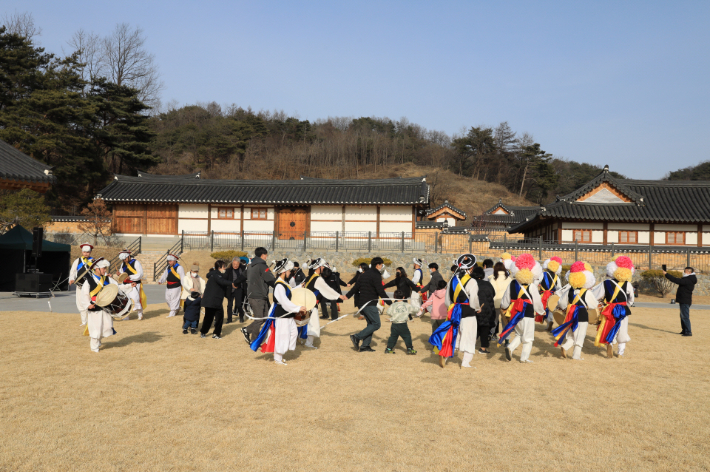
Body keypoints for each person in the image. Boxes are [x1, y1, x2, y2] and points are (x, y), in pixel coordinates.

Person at [250, 259, 306, 366]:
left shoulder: (283, 283)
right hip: (282, 314)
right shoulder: (279, 285)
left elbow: (290, 291)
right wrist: (298, 308)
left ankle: (282, 352)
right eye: (289, 271)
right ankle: (278, 358)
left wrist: (300, 286)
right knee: (283, 335)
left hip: (288, 314)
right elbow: (284, 302)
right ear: (284, 272)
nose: (290, 273)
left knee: (293, 332)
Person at [430, 254, 481, 368]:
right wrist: (478, 308)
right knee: (469, 336)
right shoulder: (472, 282)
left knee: (454, 335)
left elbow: (447, 301)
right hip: (468, 313)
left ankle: (446, 355)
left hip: (454, 311)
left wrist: (452, 308)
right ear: (471, 268)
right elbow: (473, 301)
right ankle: (465, 362)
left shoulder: (452, 280)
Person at [499, 253, 545, 363]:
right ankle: (524, 358)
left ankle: (510, 347)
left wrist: (504, 308)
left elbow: (505, 300)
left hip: (515, 313)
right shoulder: (532, 286)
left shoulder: (512, 283)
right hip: (527, 313)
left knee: (519, 334)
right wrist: (541, 311)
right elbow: (537, 302)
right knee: (528, 338)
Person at [553, 261, 598, 360]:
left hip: (570, 314)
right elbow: (593, 305)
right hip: (582, 315)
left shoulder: (569, 291)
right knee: (580, 335)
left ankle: (565, 346)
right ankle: (576, 356)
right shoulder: (587, 293)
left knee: (571, 334)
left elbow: (561, 303)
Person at [592, 256, 635, 358]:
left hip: (609, 309)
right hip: (623, 309)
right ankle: (620, 352)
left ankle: (610, 343)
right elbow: (631, 300)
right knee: (623, 329)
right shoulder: (628, 284)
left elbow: (596, 296)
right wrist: (625, 305)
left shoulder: (605, 283)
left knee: (609, 326)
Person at [346, 257, 391, 352]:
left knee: (370, 324)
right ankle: (356, 337)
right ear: (377, 265)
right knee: (376, 324)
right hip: (369, 304)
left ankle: (365, 345)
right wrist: (390, 302)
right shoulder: (376, 275)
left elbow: (355, 287)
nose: (382, 267)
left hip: (362, 303)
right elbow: (380, 290)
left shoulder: (364, 274)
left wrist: (347, 296)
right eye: (381, 265)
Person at [302, 258, 347, 348]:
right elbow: (327, 289)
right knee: (313, 324)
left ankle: (303, 341)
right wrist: (339, 296)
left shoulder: (310, 277)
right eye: (322, 266)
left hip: (305, 303)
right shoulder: (318, 279)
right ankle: (308, 343)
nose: (324, 268)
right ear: (319, 267)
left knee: (305, 323)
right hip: (311, 304)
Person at [81, 258, 118, 353]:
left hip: (106, 307)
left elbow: (117, 287)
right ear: (97, 269)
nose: (105, 270)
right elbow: (84, 295)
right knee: (96, 328)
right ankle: (94, 347)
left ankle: (98, 341)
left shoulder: (108, 279)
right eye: (104, 268)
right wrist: (88, 305)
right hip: (94, 308)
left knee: (107, 326)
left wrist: (129, 286)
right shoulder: (88, 281)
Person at [241, 247, 276, 344]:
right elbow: (271, 280)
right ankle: (254, 341)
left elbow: (243, 276)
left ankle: (247, 330)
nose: (267, 256)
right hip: (258, 297)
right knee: (259, 318)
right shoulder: (262, 266)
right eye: (266, 255)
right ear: (263, 255)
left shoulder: (250, 265)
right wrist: (280, 287)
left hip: (256, 295)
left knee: (264, 318)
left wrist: (235, 283)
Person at [200, 260, 233, 339]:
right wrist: (232, 283)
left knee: (220, 318)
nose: (225, 268)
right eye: (224, 267)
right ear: (219, 268)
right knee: (209, 318)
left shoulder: (218, 274)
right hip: (211, 301)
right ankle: (203, 332)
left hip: (217, 300)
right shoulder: (215, 275)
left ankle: (216, 334)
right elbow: (222, 281)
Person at [664, 267, 697, 337]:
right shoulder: (688, 279)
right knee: (682, 316)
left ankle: (688, 331)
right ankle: (684, 330)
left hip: (685, 300)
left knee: (685, 316)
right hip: (683, 300)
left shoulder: (688, 280)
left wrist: (666, 274)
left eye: (685, 271)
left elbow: (676, 280)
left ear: (689, 272)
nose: (684, 272)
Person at [384, 289, 418, 355]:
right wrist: (420, 308)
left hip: (394, 324)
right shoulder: (406, 305)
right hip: (402, 324)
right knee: (407, 336)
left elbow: (388, 312)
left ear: (395, 297)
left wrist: (393, 314)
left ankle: (388, 348)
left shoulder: (393, 305)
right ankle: (410, 349)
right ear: (403, 297)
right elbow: (415, 310)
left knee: (393, 336)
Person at [68, 243, 95, 326]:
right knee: (80, 303)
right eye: (84, 252)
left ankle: (92, 321)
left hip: (90, 286)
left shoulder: (94, 261)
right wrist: (71, 279)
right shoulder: (78, 261)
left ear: (90, 252)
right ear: (82, 252)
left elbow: (97, 272)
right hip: (80, 286)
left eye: (88, 252)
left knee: (90, 303)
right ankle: (84, 321)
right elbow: (73, 271)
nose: (86, 253)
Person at [116, 249, 146, 321]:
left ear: (129, 256)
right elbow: (122, 273)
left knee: (135, 299)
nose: (124, 260)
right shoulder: (123, 264)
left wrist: (131, 277)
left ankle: (140, 313)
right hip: (126, 284)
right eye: (123, 259)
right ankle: (126, 316)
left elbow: (140, 274)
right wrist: (119, 274)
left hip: (134, 283)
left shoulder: (136, 263)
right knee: (126, 300)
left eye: (125, 259)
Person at [472, 266, 496, 354]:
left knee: (474, 328)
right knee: (485, 329)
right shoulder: (488, 284)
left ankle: (470, 345)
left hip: (475, 308)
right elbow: (493, 293)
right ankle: (483, 348)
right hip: (487, 308)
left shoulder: (472, 283)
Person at [538, 257, 563, 332]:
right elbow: (559, 287)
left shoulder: (543, 274)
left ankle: (548, 321)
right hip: (552, 295)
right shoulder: (556, 277)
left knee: (542, 309)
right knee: (551, 309)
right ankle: (550, 320)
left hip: (543, 294)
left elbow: (537, 282)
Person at [488, 261, 511, 339]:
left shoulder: (493, 278)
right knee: (505, 322)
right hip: (507, 303)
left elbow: (491, 291)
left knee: (494, 320)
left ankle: (491, 335)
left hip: (496, 302)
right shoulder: (509, 279)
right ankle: (507, 340)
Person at [181, 263, 205, 334]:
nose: (195, 273)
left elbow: (203, 286)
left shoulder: (199, 278)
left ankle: (193, 327)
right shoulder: (186, 277)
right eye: (194, 271)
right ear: (191, 270)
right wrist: (190, 288)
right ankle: (185, 326)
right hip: (188, 297)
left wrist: (203, 293)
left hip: (197, 297)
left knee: (196, 312)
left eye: (196, 271)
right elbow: (185, 284)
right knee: (187, 312)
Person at [224, 256, 246, 323]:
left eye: (237, 264)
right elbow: (225, 280)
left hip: (239, 289)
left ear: (239, 264)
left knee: (238, 305)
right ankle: (229, 319)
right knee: (229, 305)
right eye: (234, 264)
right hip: (230, 290)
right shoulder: (228, 270)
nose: (235, 265)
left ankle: (241, 316)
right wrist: (231, 284)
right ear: (232, 263)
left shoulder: (243, 269)